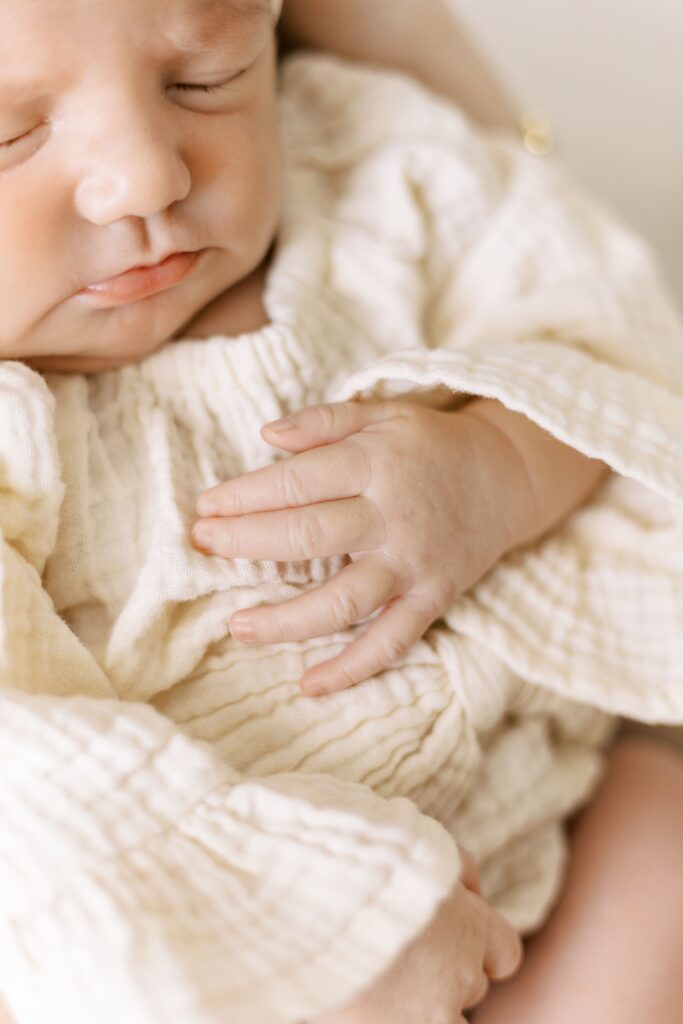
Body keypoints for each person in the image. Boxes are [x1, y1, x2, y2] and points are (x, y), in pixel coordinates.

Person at [0, 1, 681, 1022]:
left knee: (661, 840)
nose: (148, 174)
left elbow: (608, 334)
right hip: (227, 935)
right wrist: (331, 928)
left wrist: (497, 460)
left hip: (535, 837)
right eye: (10, 132)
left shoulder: (376, 164)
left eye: (206, 77)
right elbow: (36, 782)